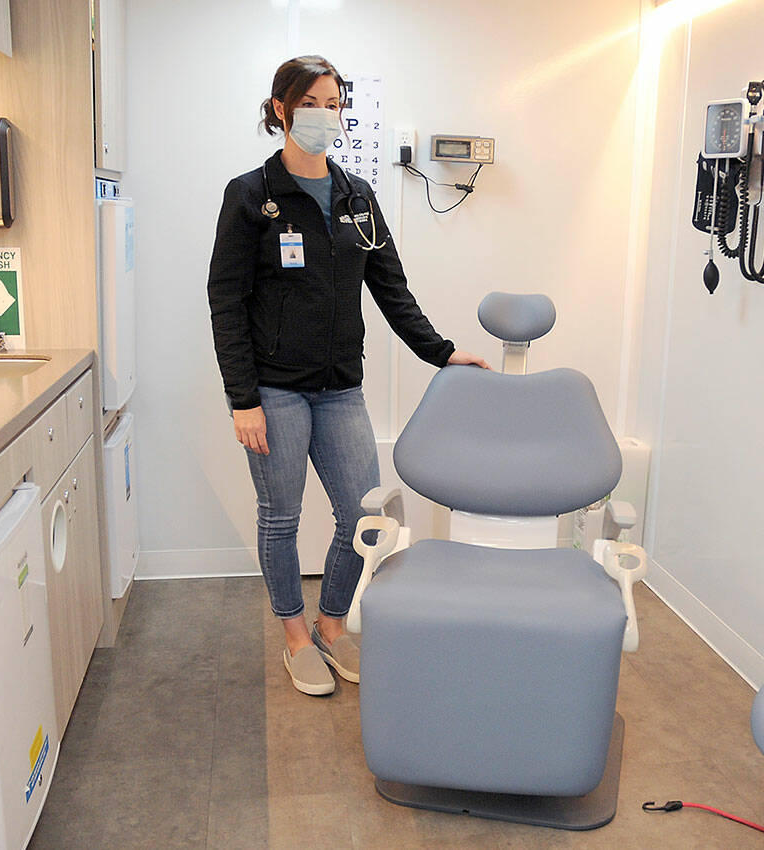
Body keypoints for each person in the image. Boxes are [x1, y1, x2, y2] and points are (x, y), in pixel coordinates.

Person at [207, 55, 489, 696]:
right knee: (280, 518)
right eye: (313, 103)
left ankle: (331, 624)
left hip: (339, 387)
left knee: (361, 516)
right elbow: (225, 300)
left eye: (335, 104)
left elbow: (392, 288)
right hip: (273, 391)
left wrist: (440, 351)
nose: (325, 116)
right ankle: (295, 637)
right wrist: (242, 399)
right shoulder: (251, 197)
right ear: (282, 108)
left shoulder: (357, 198)